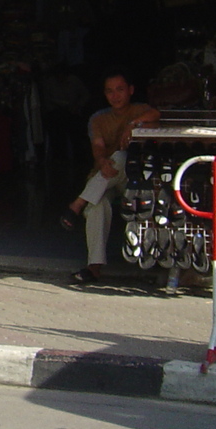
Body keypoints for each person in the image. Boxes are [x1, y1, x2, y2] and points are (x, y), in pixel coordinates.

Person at [65, 71, 157, 283]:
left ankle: (77, 204)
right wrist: (102, 161)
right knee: (97, 206)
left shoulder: (139, 110)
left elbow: (155, 115)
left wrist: (132, 125)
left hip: (131, 178)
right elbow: (97, 148)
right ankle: (94, 266)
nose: (115, 96)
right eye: (109, 91)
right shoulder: (98, 118)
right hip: (106, 176)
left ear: (131, 90)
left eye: (120, 89)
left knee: (123, 156)